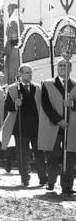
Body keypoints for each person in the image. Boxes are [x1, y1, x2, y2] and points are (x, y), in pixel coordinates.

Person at [2, 64, 47, 186]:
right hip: (20, 126)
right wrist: (15, 104)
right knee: (23, 154)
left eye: (30, 73)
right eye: (27, 73)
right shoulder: (12, 89)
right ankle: (25, 178)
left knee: (39, 153)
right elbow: (7, 108)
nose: (29, 75)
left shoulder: (38, 88)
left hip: (36, 126)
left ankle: (43, 178)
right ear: (20, 74)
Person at [38, 58, 76, 195]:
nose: (61, 68)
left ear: (70, 69)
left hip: (71, 128)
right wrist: (59, 120)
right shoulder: (47, 84)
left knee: (70, 156)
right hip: (54, 126)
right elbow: (46, 105)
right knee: (53, 155)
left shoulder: (75, 85)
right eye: (59, 65)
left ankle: (67, 186)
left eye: (65, 66)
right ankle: (51, 181)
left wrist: (71, 105)